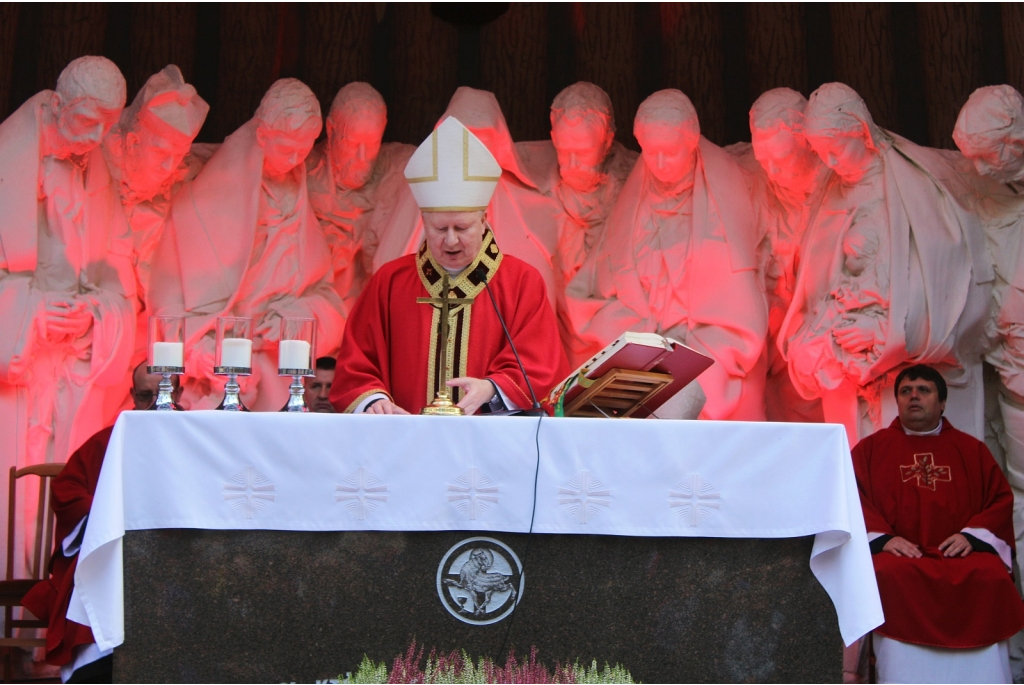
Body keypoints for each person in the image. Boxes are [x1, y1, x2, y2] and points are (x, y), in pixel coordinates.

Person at [779, 83, 993, 446]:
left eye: (835, 150)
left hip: (904, 358)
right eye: (820, 153)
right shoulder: (830, 192)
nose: (829, 163)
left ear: (860, 130)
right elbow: (818, 282)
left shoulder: (913, 185)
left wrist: (884, 332)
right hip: (847, 359)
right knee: (861, 467)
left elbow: (941, 276)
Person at [330, 116, 569, 415]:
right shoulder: (390, 282)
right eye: (440, 230)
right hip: (404, 442)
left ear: (484, 222)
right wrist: (372, 401)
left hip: (489, 445)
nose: (451, 241)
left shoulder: (521, 282)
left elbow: (542, 367)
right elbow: (357, 365)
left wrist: (492, 388)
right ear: (423, 223)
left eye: (462, 227)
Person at [0, 56, 136, 579]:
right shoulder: (10, 160)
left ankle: (55, 620)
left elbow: (121, 281)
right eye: (87, 121)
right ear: (57, 105)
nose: (98, 135)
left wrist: (99, 315)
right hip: (19, 370)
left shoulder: (96, 169)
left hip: (74, 370)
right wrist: (30, 313)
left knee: (62, 501)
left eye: (109, 122)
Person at [563, 89, 767, 421]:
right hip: (639, 359)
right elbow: (588, 297)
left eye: (669, 153)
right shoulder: (633, 213)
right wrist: (638, 336)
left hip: (707, 363)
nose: (658, 164)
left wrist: (685, 355)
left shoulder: (719, 211)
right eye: (650, 152)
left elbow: (741, 319)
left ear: (691, 144)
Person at [149, 78, 345, 411]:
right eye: (286, 148)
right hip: (216, 371)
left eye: (305, 148)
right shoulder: (204, 203)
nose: (295, 158)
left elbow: (324, 295)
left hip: (276, 373)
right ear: (262, 135)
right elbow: (169, 301)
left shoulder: (296, 202)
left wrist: (293, 318)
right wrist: (200, 352)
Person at [853, 364, 1024, 683]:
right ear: (898, 402)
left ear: (942, 403)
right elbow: (851, 498)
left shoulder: (971, 450)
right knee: (887, 572)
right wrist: (883, 539)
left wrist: (972, 537)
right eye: (906, 391)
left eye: (923, 390)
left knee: (989, 574)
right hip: (903, 559)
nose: (913, 396)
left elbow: (999, 500)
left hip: (959, 556)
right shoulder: (870, 451)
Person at [21, 363, 182, 683]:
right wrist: (107, 517)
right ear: (132, 395)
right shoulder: (111, 439)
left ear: (179, 393)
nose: (152, 403)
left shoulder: (196, 437)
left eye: (162, 394)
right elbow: (68, 490)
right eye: (144, 395)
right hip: (115, 554)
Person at [373, 87, 562, 307]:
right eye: (442, 228)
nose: (470, 152)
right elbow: (387, 278)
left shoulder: (526, 208)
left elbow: (536, 296)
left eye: (481, 141)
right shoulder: (420, 195)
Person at [544, 82, 638, 361]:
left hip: (621, 328)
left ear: (608, 141)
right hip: (563, 336)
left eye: (583, 152)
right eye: (563, 151)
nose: (572, 164)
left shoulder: (638, 182)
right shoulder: (540, 186)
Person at [305, 82, 414, 311]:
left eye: (371, 144)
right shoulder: (302, 176)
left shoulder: (395, 170)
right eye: (353, 144)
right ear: (331, 130)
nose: (362, 157)